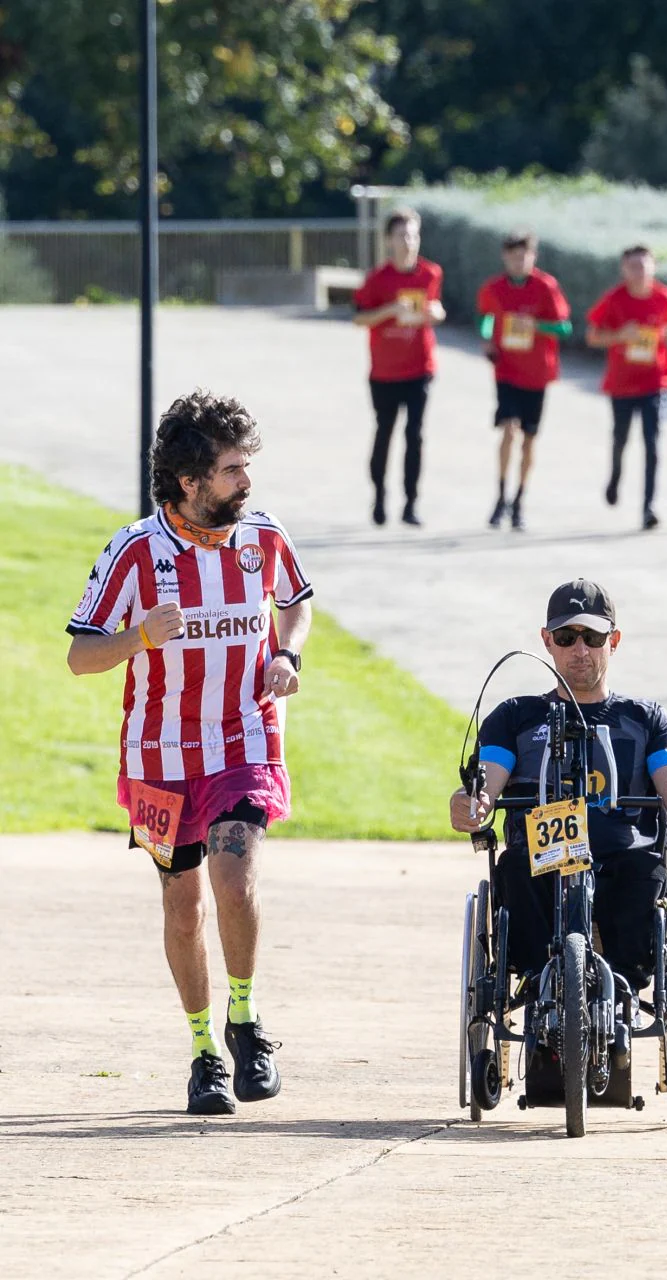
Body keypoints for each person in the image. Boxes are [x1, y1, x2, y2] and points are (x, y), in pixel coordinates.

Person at [65, 390, 314, 1115]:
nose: (247, 481)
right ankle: (204, 1050)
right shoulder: (136, 550)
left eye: (246, 465)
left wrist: (288, 654)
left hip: (246, 736)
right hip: (160, 757)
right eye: (234, 468)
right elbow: (81, 657)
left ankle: (246, 1020)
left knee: (234, 882)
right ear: (190, 480)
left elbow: (296, 600)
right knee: (183, 906)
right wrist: (138, 636)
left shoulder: (262, 537)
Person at [449, 580, 667, 999]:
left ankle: (622, 987)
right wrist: (470, 806)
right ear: (547, 641)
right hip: (541, 861)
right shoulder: (515, 717)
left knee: (648, 873)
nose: (580, 650)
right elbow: (485, 792)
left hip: (622, 860)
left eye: (593, 637)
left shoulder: (647, 720)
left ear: (614, 640)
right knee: (514, 867)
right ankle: (536, 979)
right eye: (567, 638)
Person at [351, 207, 444, 527]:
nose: (409, 241)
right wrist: (390, 309)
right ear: (389, 240)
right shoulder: (377, 279)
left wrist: (436, 313)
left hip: (420, 367)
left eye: (414, 235)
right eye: (402, 235)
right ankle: (378, 497)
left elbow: (437, 307)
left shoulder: (431, 273)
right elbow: (359, 317)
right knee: (385, 432)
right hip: (385, 372)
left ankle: (411, 504)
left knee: (415, 435)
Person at [476, 230, 571, 531]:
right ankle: (500, 495)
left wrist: (538, 325)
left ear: (533, 257)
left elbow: (565, 328)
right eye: (513, 256)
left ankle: (519, 499)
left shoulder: (546, 287)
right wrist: (487, 339)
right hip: (507, 370)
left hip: (537, 373)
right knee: (508, 429)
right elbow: (486, 317)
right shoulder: (494, 288)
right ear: (505, 257)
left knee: (529, 439)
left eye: (524, 256)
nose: (519, 262)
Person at [586, 246, 667, 530]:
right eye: (633, 267)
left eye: (644, 266)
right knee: (620, 439)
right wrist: (619, 335)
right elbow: (592, 336)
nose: (639, 272)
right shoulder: (613, 299)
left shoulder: (666, 297)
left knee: (653, 444)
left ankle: (648, 507)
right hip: (622, 383)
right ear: (623, 269)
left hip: (656, 381)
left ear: (653, 267)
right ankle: (615, 476)